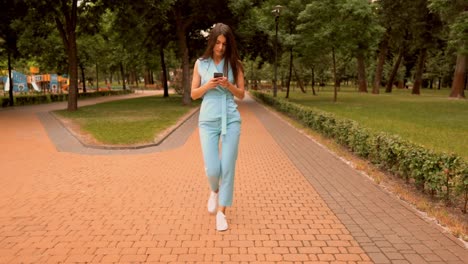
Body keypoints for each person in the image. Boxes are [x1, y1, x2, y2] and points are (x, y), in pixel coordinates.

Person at [191, 23, 245, 231]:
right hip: (207, 120)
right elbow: (194, 94)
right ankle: (214, 189)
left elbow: (241, 94)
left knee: (228, 166)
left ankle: (222, 213)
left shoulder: (235, 64)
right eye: (217, 43)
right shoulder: (200, 64)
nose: (220, 48)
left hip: (231, 118)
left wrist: (227, 85)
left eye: (224, 44)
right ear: (211, 41)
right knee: (213, 168)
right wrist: (209, 86)